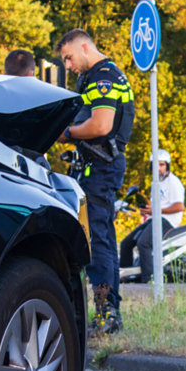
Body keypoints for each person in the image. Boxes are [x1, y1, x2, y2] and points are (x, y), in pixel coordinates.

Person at [56, 29, 135, 335]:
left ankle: (106, 314)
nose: (68, 65)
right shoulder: (97, 75)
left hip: (100, 167)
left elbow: (101, 124)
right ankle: (108, 312)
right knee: (104, 241)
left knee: (97, 242)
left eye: (69, 57)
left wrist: (66, 134)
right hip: (99, 166)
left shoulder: (104, 76)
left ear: (85, 47)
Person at [120, 149, 185, 283]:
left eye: (162, 164)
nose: (159, 168)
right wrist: (147, 210)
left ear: (167, 165)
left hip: (168, 220)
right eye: (155, 165)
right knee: (126, 243)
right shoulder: (155, 183)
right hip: (154, 218)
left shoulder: (173, 182)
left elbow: (179, 206)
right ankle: (124, 277)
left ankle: (148, 280)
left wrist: (155, 211)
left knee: (143, 243)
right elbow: (156, 206)